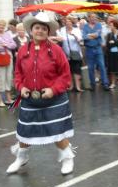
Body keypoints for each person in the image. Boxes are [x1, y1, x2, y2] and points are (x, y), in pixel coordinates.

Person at [6, 12, 76, 175]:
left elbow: (65, 75)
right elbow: (18, 73)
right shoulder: (23, 50)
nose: (40, 31)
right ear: (31, 30)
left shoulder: (56, 51)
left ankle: (67, 158)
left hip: (54, 99)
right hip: (30, 99)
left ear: (48, 31)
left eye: (43, 28)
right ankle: (21, 158)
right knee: (24, 133)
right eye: (37, 28)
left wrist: (53, 89)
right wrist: (21, 86)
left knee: (57, 131)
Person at [0, 19, 17, 107]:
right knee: (0, 78)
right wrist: (5, 45)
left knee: (8, 77)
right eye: (0, 25)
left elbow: (14, 45)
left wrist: (5, 45)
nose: (1, 27)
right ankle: (0, 99)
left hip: (8, 58)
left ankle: (8, 98)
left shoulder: (7, 34)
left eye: (3, 25)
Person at [82, 13, 110, 90]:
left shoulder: (99, 25)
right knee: (91, 68)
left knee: (102, 66)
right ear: (89, 18)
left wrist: (89, 35)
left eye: (95, 17)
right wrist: (92, 35)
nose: (94, 18)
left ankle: (105, 84)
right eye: (92, 17)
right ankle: (92, 84)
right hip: (89, 49)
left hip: (98, 48)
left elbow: (97, 34)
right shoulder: (85, 26)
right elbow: (84, 36)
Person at [58, 16, 84, 92]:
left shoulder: (76, 30)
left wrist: (74, 36)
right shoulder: (62, 30)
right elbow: (60, 38)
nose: (68, 25)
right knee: (68, 70)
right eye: (67, 23)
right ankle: (71, 86)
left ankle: (78, 87)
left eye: (70, 23)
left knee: (76, 70)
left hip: (75, 53)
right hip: (66, 54)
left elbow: (80, 40)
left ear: (72, 24)